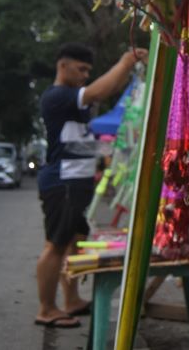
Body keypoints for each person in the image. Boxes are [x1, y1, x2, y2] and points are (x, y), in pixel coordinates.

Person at [35, 43, 148, 328]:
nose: (85, 75)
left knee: (72, 242)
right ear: (63, 66)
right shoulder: (58, 96)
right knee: (55, 246)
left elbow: (75, 140)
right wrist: (125, 62)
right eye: (81, 69)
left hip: (77, 181)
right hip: (63, 182)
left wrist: (108, 152)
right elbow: (100, 91)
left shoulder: (73, 102)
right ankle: (46, 309)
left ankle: (71, 300)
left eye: (89, 70)